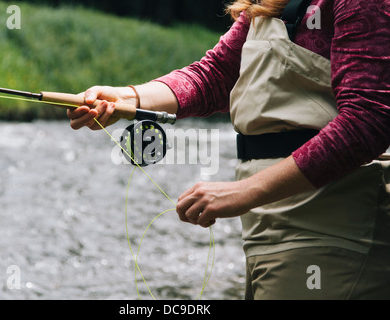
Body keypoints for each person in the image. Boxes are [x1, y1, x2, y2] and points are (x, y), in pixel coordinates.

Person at [67, 0, 390, 299]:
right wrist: (128, 98)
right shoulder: (268, 3)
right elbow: (216, 75)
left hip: (335, 234)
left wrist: (243, 192)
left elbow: (368, 121)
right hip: (268, 232)